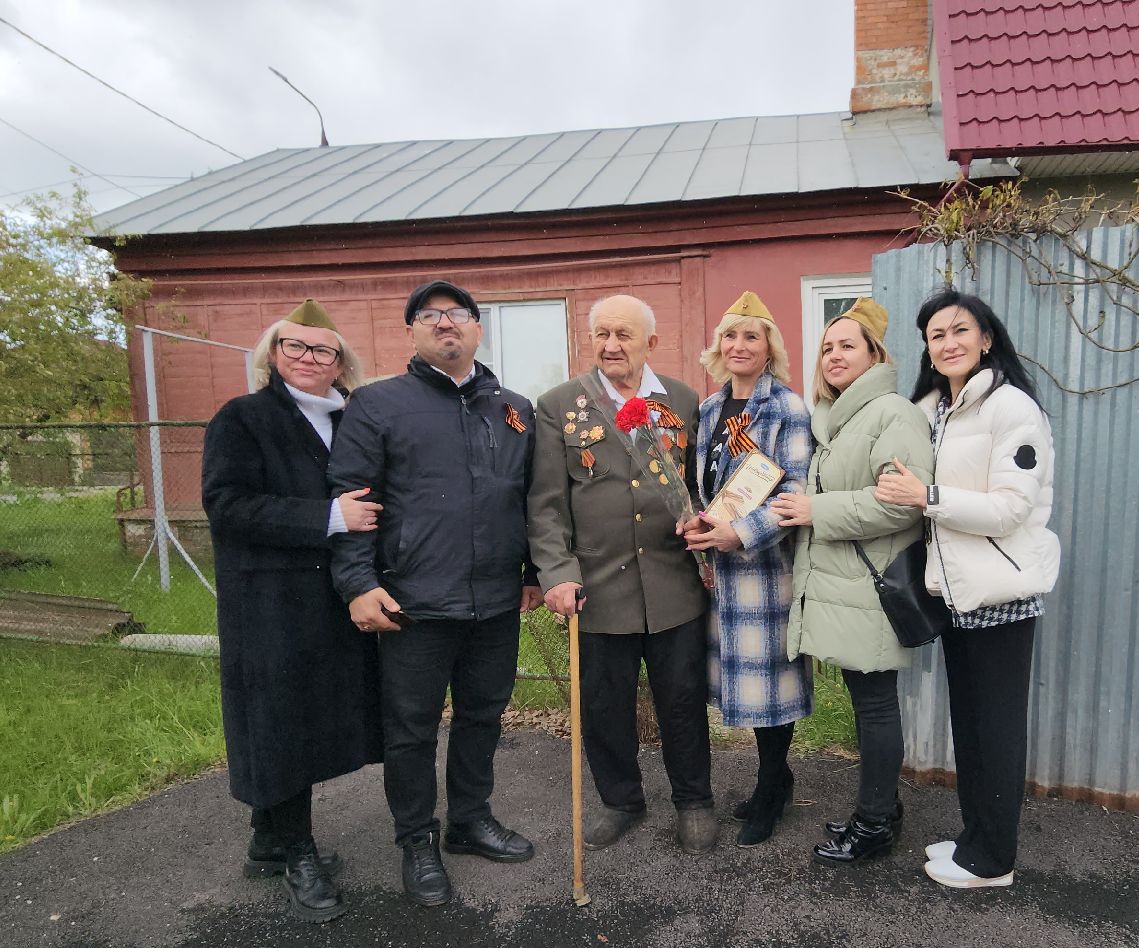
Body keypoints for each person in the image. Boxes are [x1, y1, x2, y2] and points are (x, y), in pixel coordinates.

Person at [327, 281, 541, 907]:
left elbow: (526, 499)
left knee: (483, 716)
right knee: (412, 728)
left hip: (496, 601)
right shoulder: (377, 405)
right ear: (413, 333)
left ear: (478, 329)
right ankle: (417, 839)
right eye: (430, 317)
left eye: (458, 316)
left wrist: (528, 573)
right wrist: (359, 584)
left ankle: (470, 821)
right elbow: (351, 500)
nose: (446, 325)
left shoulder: (515, 408)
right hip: (412, 601)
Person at [201, 298, 383, 923]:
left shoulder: (348, 420)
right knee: (279, 722)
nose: (308, 360)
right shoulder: (244, 418)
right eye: (295, 348)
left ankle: (266, 839)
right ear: (274, 355)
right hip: (269, 601)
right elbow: (227, 505)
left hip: (328, 599)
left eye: (322, 351)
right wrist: (329, 517)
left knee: (297, 715)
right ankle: (297, 850)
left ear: (340, 363)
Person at [873, 289, 1060, 890]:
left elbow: (1010, 509)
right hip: (954, 593)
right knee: (971, 725)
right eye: (935, 335)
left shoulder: (1011, 408)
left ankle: (994, 860)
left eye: (960, 331)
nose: (948, 343)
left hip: (1001, 595)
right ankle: (976, 836)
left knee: (997, 728)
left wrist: (927, 499)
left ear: (985, 337)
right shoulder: (933, 408)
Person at [529, 294, 717, 854]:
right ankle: (620, 801)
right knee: (605, 705)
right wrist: (556, 572)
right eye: (602, 334)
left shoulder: (682, 399)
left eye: (624, 335)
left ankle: (694, 800)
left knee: (681, 698)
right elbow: (545, 502)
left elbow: (699, 486)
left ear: (650, 344)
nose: (612, 346)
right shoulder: (559, 405)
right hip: (597, 586)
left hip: (672, 585)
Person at [769, 297, 934, 863]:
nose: (833, 355)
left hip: (872, 590)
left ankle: (874, 826)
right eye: (826, 347)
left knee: (876, 706)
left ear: (874, 354)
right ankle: (881, 807)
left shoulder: (893, 414)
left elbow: (902, 506)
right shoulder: (839, 418)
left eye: (847, 346)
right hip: (846, 591)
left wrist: (817, 509)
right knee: (871, 705)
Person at [679, 292, 813, 848]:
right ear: (718, 347)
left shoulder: (787, 408)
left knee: (768, 689)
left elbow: (797, 491)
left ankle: (771, 790)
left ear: (768, 349)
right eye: (731, 336)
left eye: (751, 337)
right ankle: (774, 782)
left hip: (765, 572)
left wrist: (742, 533)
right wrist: (695, 523)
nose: (739, 346)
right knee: (741, 684)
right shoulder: (709, 411)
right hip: (717, 573)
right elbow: (703, 486)